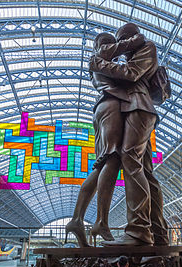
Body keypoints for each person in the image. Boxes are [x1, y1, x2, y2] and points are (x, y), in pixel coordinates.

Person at [90, 22, 168, 246]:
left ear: (131, 37)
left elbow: (132, 74)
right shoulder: (136, 52)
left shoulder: (147, 48)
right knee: (145, 171)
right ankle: (158, 231)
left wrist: (99, 63)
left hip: (139, 107)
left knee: (129, 159)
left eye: (123, 41)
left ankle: (138, 230)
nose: (121, 48)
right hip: (134, 109)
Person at [65, 32, 145, 246]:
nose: (114, 46)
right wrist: (133, 41)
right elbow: (127, 71)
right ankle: (101, 221)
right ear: (101, 45)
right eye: (109, 43)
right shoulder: (100, 56)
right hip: (111, 107)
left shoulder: (98, 62)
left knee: (101, 165)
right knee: (112, 159)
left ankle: (77, 219)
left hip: (102, 110)